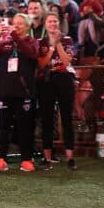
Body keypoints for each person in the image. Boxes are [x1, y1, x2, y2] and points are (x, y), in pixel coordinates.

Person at [0, 13, 41, 172]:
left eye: (20, 23)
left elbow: (32, 55)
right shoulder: (6, 42)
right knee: (3, 127)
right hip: (5, 91)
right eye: (15, 23)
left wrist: (14, 36)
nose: (16, 26)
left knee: (25, 127)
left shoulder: (31, 42)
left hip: (24, 92)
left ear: (27, 26)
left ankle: (26, 159)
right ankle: (2, 159)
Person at [37, 12, 77, 170]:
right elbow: (42, 64)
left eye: (55, 21)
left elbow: (66, 61)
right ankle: (47, 159)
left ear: (59, 24)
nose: (53, 24)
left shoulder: (67, 40)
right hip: (46, 80)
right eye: (50, 21)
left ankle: (70, 159)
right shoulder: (41, 42)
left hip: (64, 79)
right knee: (46, 119)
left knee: (67, 118)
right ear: (45, 24)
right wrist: (52, 46)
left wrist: (58, 43)